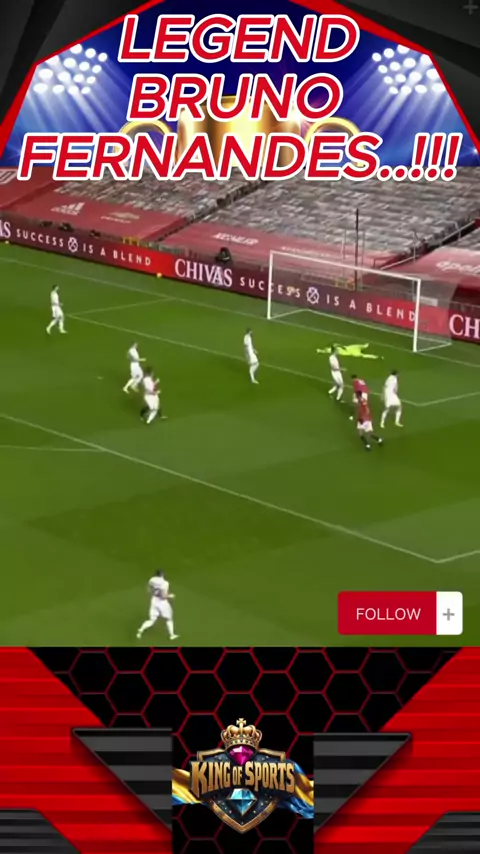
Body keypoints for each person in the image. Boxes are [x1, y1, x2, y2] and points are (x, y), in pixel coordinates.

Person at [136, 570, 178, 641]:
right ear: (162, 575)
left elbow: (148, 589)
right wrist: (170, 596)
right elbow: (163, 596)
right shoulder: (165, 583)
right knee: (169, 619)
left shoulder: (152, 579)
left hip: (154, 601)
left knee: (152, 620)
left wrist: (154, 593)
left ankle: (141, 630)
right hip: (162, 603)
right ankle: (172, 635)